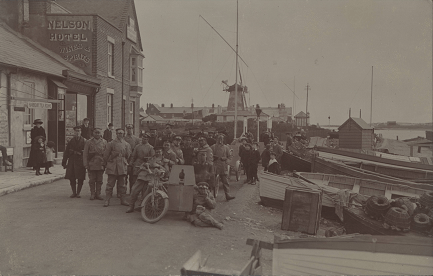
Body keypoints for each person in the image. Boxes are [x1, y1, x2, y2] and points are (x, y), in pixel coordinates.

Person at [127, 146, 163, 213]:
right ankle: (131, 206)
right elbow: (143, 165)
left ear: (162, 152)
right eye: (156, 151)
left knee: (149, 190)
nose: (158, 153)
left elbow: (165, 170)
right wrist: (144, 165)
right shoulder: (151, 158)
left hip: (153, 177)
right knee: (134, 190)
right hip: (143, 176)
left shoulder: (164, 160)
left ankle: (143, 205)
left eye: (159, 151)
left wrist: (158, 167)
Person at [103, 128, 131, 207]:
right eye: (119, 133)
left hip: (122, 165)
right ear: (116, 134)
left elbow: (128, 156)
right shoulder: (111, 143)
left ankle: (123, 200)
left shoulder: (126, 144)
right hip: (113, 166)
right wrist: (109, 160)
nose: (120, 135)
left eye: (122, 133)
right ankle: (107, 200)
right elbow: (105, 155)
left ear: (124, 134)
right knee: (110, 184)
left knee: (122, 185)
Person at [62, 126, 87, 198]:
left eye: (79, 131)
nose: (77, 132)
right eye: (76, 131)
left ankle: (78, 192)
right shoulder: (71, 141)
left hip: (80, 161)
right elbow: (66, 152)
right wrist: (64, 162)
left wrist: (86, 161)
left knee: (80, 177)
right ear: (74, 132)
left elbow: (87, 152)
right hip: (72, 161)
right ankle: (74, 192)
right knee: (72, 177)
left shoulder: (84, 141)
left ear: (81, 132)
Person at [83, 128, 107, 200]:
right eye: (95, 132)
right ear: (93, 133)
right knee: (92, 180)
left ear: (101, 134)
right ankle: (92, 194)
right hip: (92, 163)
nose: (97, 134)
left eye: (98, 133)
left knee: (99, 180)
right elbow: (85, 154)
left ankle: (98, 194)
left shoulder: (104, 142)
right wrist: (85, 164)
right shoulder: (89, 142)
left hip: (100, 163)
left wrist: (105, 163)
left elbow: (106, 154)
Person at [211, 134, 235, 200]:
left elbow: (230, 156)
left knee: (225, 181)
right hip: (215, 165)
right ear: (216, 139)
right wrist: (213, 158)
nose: (220, 141)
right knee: (212, 181)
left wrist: (226, 160)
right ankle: (211, 195)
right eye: (219, 139)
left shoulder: (226, 147)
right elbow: (209, 155)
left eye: (221, 139)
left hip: (223, 166)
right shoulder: (213, 147)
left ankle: (227, 195)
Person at [124, 124, 141, 192]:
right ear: (126, 129)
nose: (129, 130)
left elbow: (138, 149)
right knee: (124, 177)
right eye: (128, 128)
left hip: (133, 159)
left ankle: (132, 191)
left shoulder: (136, 139)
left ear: (133, 129)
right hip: (125, 159)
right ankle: (123, 192)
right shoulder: (124, 138)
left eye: (130, 128)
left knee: (133, 177)